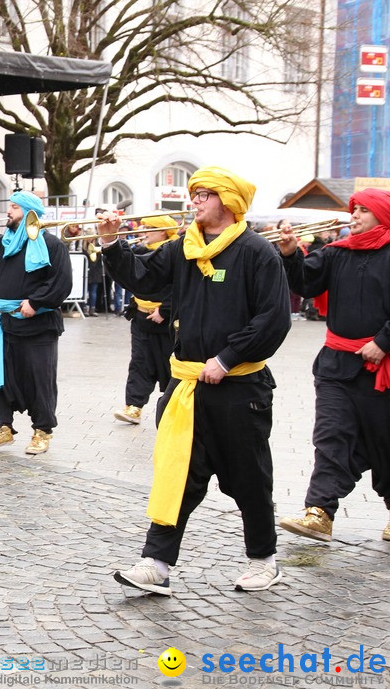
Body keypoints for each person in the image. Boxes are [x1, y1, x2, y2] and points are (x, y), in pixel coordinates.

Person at [104, 167, 291, 595]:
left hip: (240, 389)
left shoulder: (256, 252)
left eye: (204, 194)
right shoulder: (182, 248)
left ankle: (264, 560)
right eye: (195, 194)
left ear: (226, 200)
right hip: (187, 385)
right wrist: (112, 242)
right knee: (177, 474)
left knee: (249, 478)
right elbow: (142, 278)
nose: (195, 201)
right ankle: (156, 563)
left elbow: (274, 319)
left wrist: (227, 359)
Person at [276, 188, 390, 543]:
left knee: (385, 444)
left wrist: (383, 342)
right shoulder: (336, 252)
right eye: (353, 210)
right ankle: (319, 512)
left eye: (363, 211)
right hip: (336, 366)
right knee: (330, 437)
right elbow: (305, 284)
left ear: (382, 216)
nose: (353, 216)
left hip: (383, 370)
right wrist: (291, 253)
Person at [0, 191, 72, 455]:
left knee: (39, 381)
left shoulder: (51, 244)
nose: (9, 211)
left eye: (15, 207)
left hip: (39, 325)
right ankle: (1, 428)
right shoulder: (2, 242)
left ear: (30, 212)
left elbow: (61, 282)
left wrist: (36, 302)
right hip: (7, 322)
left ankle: (42, 432)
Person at [112, 215, 178, 424]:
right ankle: (134, 406)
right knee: (140, 362)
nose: (143, 231)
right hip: (141, 317)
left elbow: (181, 287)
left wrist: (165, 310)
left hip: (167, 321)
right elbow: (129, 276)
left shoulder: (174, 252)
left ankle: (172, 406)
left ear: (163, 231)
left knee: (169, 365)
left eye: (149, 227)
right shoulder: (140, 250)